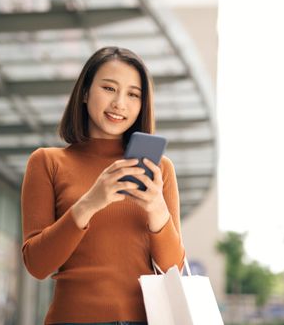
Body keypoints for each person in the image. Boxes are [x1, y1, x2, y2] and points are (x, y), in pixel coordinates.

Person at [21, 46, 185, 325]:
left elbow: (173, 270)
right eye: (109, 88)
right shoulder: (47, 162)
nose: (120, 103)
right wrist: (90, 203)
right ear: (85, 93)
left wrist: (158, 210)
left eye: (133, 94)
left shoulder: (160, 170)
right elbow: (37, 265)